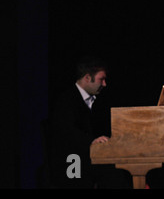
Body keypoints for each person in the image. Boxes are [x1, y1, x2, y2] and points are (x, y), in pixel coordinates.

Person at [48, 56, 131, 188]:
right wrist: (91, 141)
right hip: (72, 159)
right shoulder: (66, 100)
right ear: (87, 78)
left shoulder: (97, 101)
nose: (104, 84)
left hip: (91, 156)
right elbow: (66, 132)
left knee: (118, 173)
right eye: (101, 79)